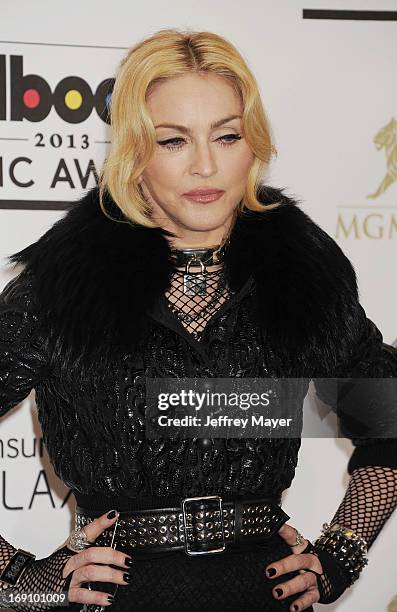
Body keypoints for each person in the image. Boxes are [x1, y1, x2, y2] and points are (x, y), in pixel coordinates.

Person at [0, 27, 396, 612]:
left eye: (227, 135)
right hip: (124, 599)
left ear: (252, 143)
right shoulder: (65, 283)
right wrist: (20, 577)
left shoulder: (299, 273)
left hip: (262, 593)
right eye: (173, 140)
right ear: (135, 150)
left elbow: (387, 417)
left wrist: (341, 552)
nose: (205, 166)